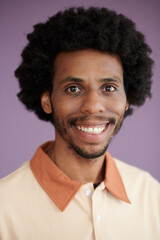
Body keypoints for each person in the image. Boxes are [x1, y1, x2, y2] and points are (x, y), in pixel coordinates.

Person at [0, 7, 159, 240]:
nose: (93, 105)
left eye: (109, 88)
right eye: (73, 88)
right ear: (47, 100)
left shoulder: (152, 196)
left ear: (127, 99)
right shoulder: (4, 208)